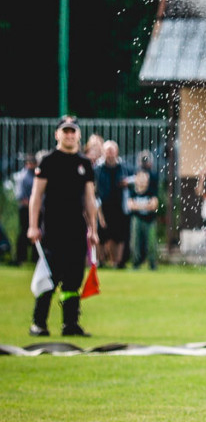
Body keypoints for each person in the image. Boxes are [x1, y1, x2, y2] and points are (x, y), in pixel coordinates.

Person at [27, 116, 98, 337]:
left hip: (76, 231)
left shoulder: (84, 164)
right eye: (65, 131)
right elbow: (36, 196)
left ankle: (70, 324)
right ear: (57, 134)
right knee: (49, 277)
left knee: (73, 280)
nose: (69, 135)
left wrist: (93, 230)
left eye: (73, 131)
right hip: (53, 231)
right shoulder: (48, 161)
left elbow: (89, 199)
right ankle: (39, 323)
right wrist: (32, 226)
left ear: (78, 135)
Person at [94, 140, 130, 268]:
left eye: (112, 151)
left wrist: (127, 183)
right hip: (102, 206)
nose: (110, 154)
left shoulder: (124, 167)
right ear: (103, 152)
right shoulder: (97, 168)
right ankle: (100, 260)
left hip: (119, 206)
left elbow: (134, 179)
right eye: (108, 151)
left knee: (119, 236)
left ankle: (118, 262)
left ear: (116, 152)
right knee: (101, 234)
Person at [126, 170, 159, 270]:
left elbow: (154, 205)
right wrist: (146, 206)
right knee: (135, 242)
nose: (142, 181)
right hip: (137, 219)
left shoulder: (151, 191)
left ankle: (152, 264)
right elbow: (131, 206)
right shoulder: (132, 192)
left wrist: (138, 206)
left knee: (151, 243)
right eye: (140, 179)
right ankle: (136, 263)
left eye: (144, 179)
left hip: (150, 220)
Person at [13, 152, 39, 266]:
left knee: (38, 233)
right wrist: (33, 205)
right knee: (24, 233)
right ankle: (20, 258)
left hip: (36, 209)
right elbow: (21, 197)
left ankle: (35, 258)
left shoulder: (36, 175)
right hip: (25, 209)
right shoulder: (23, 177)